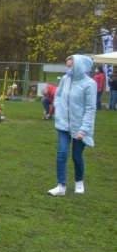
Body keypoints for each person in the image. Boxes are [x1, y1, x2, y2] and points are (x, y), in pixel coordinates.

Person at [48, 55, 96, 196]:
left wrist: (83, 130)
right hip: (63, 124)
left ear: (79, 67)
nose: (67, 68)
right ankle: (61, 186)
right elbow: (58, 95)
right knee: (62, 153)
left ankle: (79, 182)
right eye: (67, 65)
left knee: (76, 157)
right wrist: (58, 106)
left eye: (70, 66)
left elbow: (90, 109)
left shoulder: (89, 84)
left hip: (79, 127)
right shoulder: (65, 79)